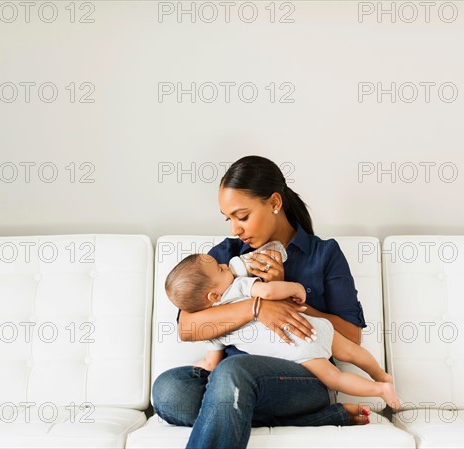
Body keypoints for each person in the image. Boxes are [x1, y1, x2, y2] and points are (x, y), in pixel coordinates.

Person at [152, 155, 372, 449]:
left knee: (233, 373)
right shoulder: (227, 255)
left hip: (303, 378)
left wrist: (287, 299)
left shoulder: (324, 254)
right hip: (230, 378)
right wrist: (257, 307)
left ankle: (283, 406)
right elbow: (188, 327)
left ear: (274, 203)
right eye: (228, 218)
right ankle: (317, 418)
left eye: (242, 216)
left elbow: (352, 336)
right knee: (170, 390)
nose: (234, 229)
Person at [164, 252, 400, 407]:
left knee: (335, 378)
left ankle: (379, 389)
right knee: (350, 352)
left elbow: (211, 364)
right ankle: (381, 374)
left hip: (297, 348)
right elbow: (268, 292)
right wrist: (296, 288)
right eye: (221, 268)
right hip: (310, 325)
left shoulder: (216, 325)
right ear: (213, 295)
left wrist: (200, 367)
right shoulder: (239, 286)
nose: (226, 264)